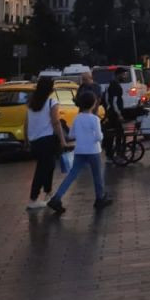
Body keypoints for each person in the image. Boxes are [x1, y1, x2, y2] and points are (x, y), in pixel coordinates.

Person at [48, 90, 112, 212]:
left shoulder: (77, 118)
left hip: (80, 150)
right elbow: (99, 137)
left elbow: (72, 134)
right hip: (93, 150)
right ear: (93, 104)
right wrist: (93, 138)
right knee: (97, 175)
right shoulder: (94, 119)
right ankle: (100, 198)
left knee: (72, 175)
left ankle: (57, 198)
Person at [25, 76, 67, 210]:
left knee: (48, 166)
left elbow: (26, 123)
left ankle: (48, 193)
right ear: (50, 88)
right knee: (43, 169)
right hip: (47, 140)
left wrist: (26, 140)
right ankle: (33, 198)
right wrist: (62, 140)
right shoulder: (51, 102)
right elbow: (56, 122)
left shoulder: (32, 103)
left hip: (35, 141)